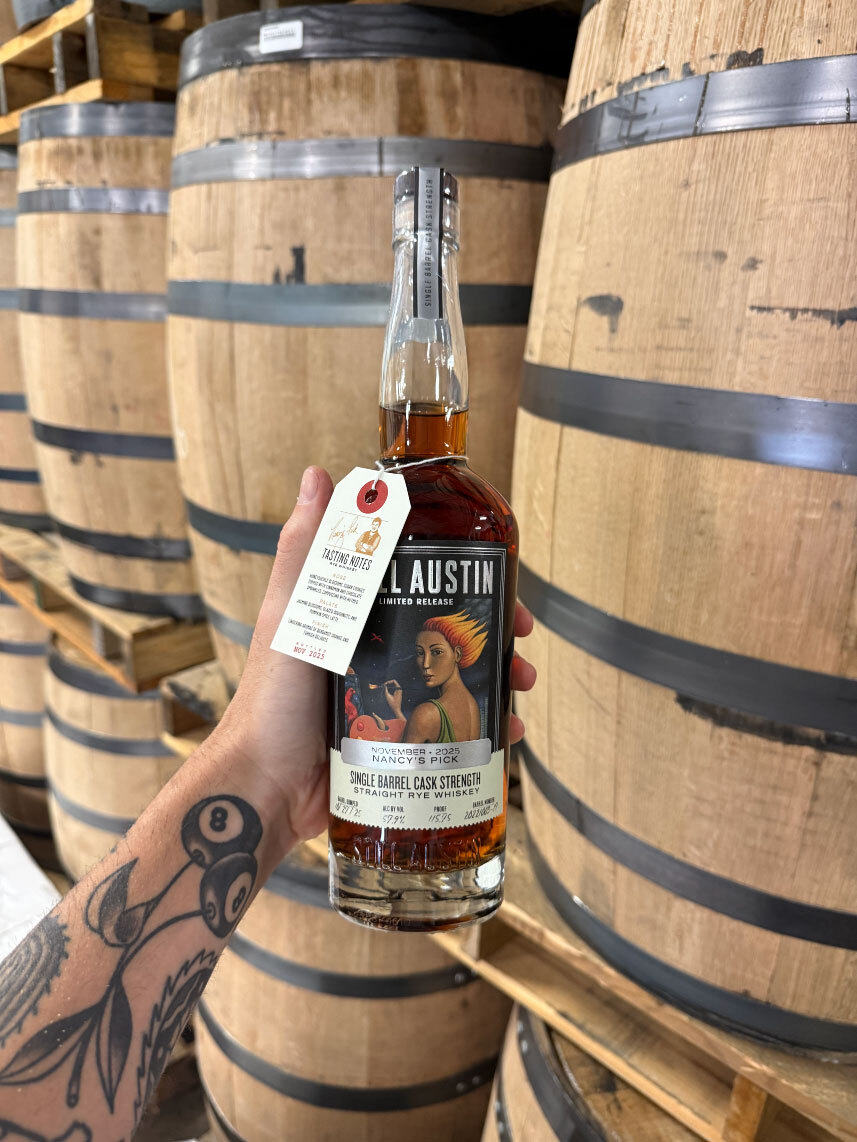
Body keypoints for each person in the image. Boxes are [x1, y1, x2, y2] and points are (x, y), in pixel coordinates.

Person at [0, 467, 537, 1141]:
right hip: (368, 831)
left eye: (433, 649)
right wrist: (262, 765)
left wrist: (265, 776)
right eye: (421, 648)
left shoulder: (482, 517)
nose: (422, 659)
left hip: (456, 852)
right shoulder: (400, 518)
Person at [384, 610, 488, 743]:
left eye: (436, 652)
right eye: (420, 653)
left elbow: (404, 759)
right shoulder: (472, 706)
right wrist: (397, 710)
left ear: (457, 654)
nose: (426, 664)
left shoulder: (427, 713)